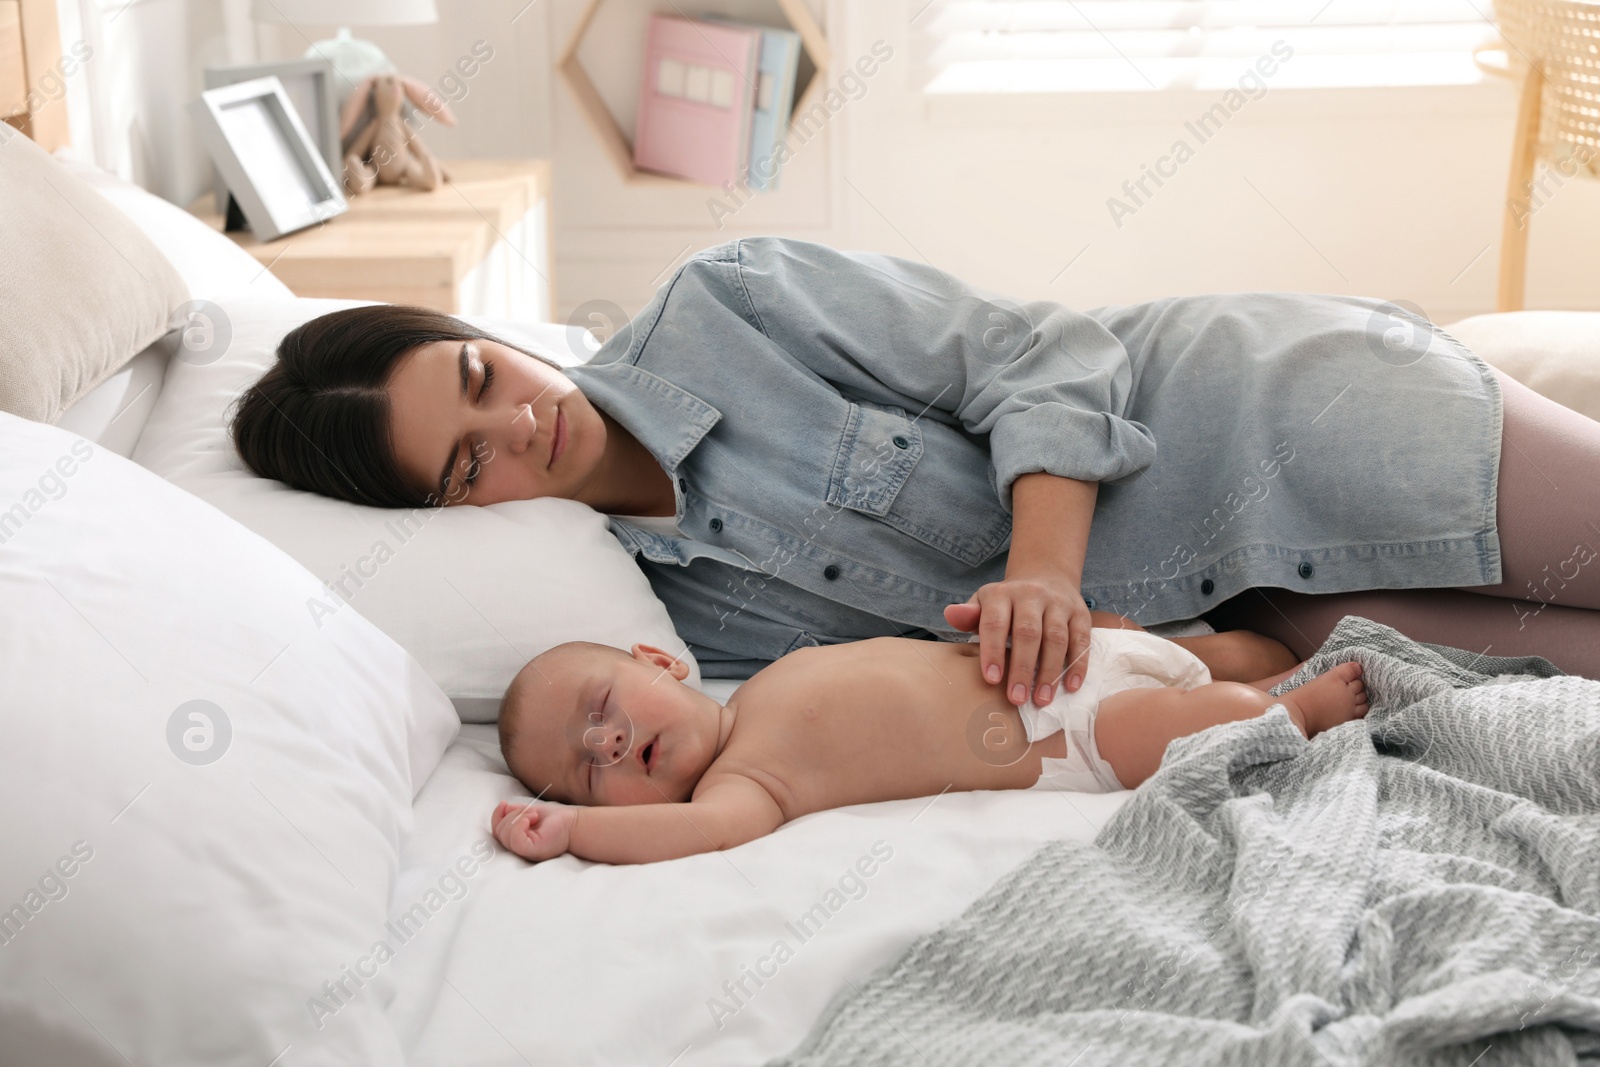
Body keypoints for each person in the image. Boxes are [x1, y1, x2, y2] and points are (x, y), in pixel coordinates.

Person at [228, 236, 1600, 702]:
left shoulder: (733, 302)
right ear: (458, 512)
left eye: (484, 379)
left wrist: (1042, 574)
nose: (520, 426)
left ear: (484, 334)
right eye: (470, 465)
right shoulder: (660, 615)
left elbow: (1043, 350)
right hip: (1242, 620)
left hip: (1262, 409)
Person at [486, 625, 1367, 865]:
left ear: (658, 659)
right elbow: (702, 834)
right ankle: (1295, 714)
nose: (606, 740)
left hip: (1066, 660)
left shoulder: (762, 685)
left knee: (1232, 650)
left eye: (602, 705)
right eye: (585, 772)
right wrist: (569, 834)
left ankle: (1279, 666)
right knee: (1198, 715)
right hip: (1070, 735)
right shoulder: (747, 782)